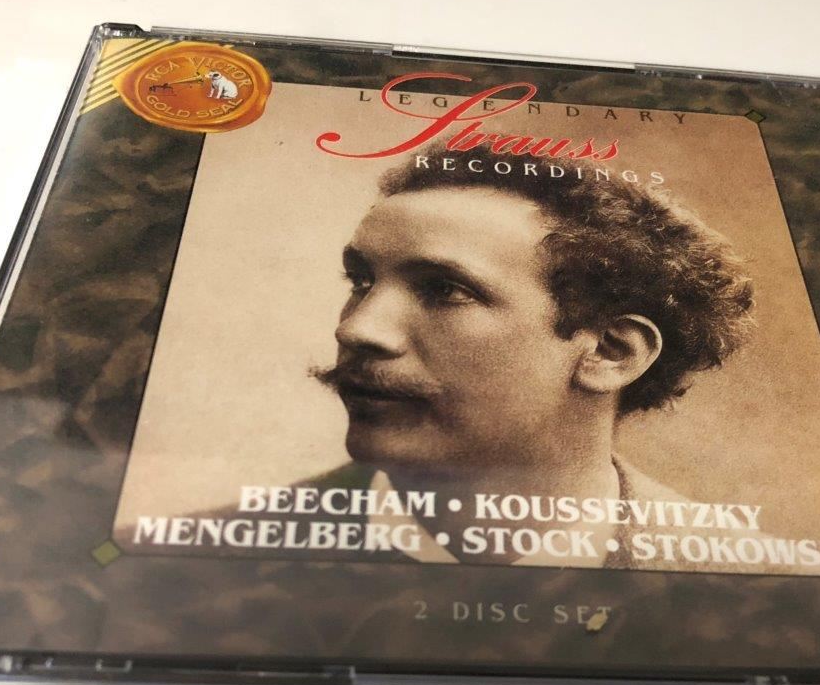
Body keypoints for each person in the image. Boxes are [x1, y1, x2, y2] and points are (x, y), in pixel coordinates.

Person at [301, 143, 756, 569]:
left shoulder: (751, 586)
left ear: (611, 352)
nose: (356, 329)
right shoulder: (260, 544)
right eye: (361, 282)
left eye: (445, 290)